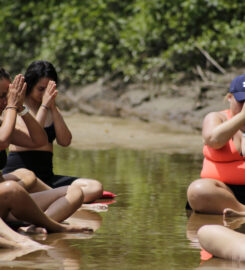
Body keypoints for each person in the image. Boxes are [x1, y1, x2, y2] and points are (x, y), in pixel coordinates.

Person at [0, 68, 92, 250]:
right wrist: (11, 106)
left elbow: (38, 140)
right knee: (13, 187)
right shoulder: (6, 120)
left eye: (8, 95)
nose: (5, 100)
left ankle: (33, 228)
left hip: (6, 205)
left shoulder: (3, 120)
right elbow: (2, 141)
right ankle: (48, 228)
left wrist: (21, 108)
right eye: (3, 95)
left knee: (74, 192)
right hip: (5, 197)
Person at [3, 60, 103, 203]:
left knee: (94, 187)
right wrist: (44, 106)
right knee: (24, 185)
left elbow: (65, 141)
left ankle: (54, 198)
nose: (44, 94)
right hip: (21, 176)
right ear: (30, 86)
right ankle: (57, 199)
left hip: (46, 177)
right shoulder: (18, 106)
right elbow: (34, 140)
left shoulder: (51, 108)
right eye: (41, 89)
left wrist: (53, 108)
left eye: (48, 89)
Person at [187, 74, 245, 215]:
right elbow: (214, 140)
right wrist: (243, 116)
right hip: (220, 193)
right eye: (242, 101)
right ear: (229, 97)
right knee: (198, 189)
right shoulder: (216, 118)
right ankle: (241, 210)